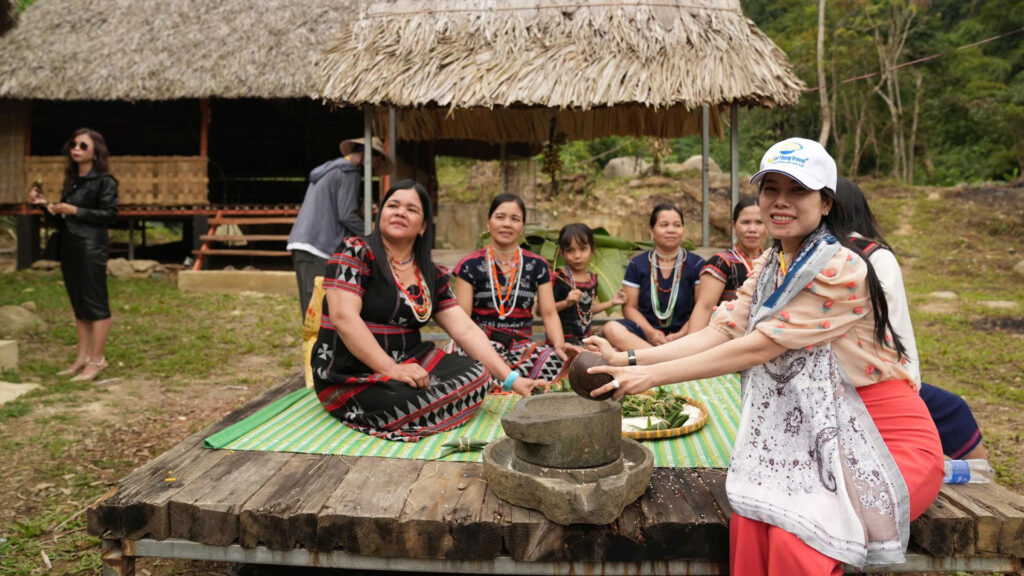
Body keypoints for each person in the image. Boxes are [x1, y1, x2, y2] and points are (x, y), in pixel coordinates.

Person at [584, 138, 943, 573]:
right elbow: (721, 330)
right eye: (771, 189)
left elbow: (759, 345)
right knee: (752, 524)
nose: (781, 202)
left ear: (825, 202)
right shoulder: (771, 265)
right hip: (811, 435)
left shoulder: (839, 268)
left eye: (797, 191)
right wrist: (627, 362)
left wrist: (649, 379)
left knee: (799, 538)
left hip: (884, 437)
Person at [310, 180, 548, 442]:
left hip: (409, 362)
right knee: (399, 398)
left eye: (412, 209)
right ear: (380, 215)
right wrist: (391, 368)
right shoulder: (355, 252)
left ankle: (415, 408)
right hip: (352, 371)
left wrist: (513, 381)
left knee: (478, 376)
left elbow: (466, 329)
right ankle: (405, 406)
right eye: (393, 205)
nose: (400, 212)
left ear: (423, 226)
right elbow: (344, 318)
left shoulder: (431, 275)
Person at [835, 177, 987, 460]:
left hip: (830, 384)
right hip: (870, 385)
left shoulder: (799, 255)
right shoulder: (874, 256)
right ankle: (980, 478)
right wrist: (910, 385)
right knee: (954, 410)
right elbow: (894, 327)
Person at [453, 193, 577, 387]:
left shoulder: (538, 265)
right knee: (461, 357)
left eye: (515, 219)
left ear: (522, 227)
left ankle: (502, 385)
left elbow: (549, 312)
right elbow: (462, 319)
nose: (507, 224)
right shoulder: (469, 265)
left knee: (555, 360)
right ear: (488, 223)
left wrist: (559, 345)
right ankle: (508, 383)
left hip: (522, 347)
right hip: (482, 345)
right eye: (500, 217)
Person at [28, 128, 118, 382]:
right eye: (73, 145)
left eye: (83, 145)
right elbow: (62, 220)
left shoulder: (105, 181)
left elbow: (111, 215)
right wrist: (44, 206)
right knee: (79, 304)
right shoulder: (73, 180)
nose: (76, 149)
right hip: (70, 246)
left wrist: (75, 209)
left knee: (95, 302)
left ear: (95, 151)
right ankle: (82, 356)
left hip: (91, 246)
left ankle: (97, 359)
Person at [287, 136, 392, 318]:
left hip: (305, 242)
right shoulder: (349, 172)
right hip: (316, 247)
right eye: (375, 162)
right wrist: (373, 236)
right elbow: (346, 215)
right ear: (366, 154)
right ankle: (315, 348)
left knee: (312, 307)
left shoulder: (331, 169)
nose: (374, 168)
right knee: (318, 311)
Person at [600, 203, 705, 350]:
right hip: (645, 335)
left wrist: (681, 333)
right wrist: (651, 333)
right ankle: (659, 358)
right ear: (651, 231)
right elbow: (629, 308)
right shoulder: (637, 264)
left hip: (687, 333)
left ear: (683, 230)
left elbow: (703, 307)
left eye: (677, 225)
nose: (671, 230)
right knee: (611, 328)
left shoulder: (697, 264)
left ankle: (654, 360)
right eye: (664, 225)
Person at [690, 197, 766, 319]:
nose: (752, 229)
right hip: (727, 334)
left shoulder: (773, 262)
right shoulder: (721, 262)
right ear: (733, 226)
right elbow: (705, 308)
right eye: (746, 222)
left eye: (759, 222)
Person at [552, 223, 626, 345]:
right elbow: (542, 310)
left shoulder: (592, 280)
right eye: (570, 250)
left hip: (586, 338)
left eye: (583, 249)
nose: (577, 256)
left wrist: (611, 302)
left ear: (592, 249)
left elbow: (586, 310)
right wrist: (565, 303)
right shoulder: (559, 278)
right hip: (562, 339)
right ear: (561, 253)